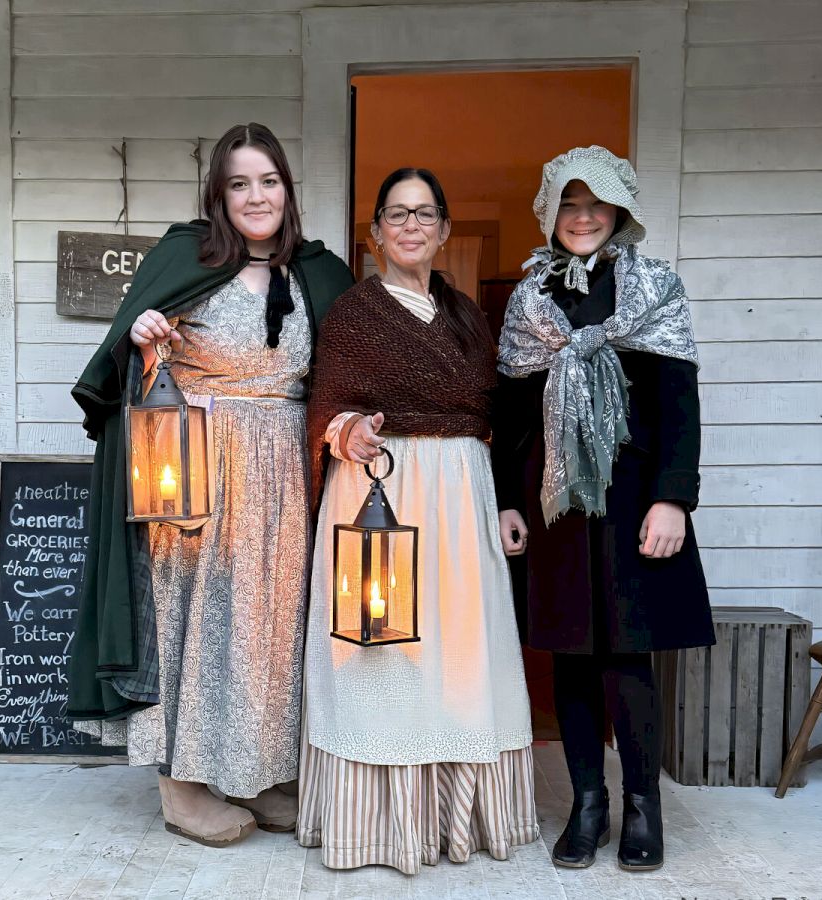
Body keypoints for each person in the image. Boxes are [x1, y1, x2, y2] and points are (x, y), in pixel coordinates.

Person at [66, 123, 353, 847]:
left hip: (287, 473)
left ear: (287, 190)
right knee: (193, 623)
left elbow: (345, 372)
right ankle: (183, 786)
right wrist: (146, 345)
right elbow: (124, 370)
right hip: (194, 470)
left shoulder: (318, 273)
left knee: (271, 628)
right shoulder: (182, 258)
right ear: (218, 195)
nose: (256, 196)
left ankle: (258, 772)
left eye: (268, 181)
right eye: (239, 183)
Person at [298, 168, 538, 875]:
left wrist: (504, 502)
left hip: (462, 498)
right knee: (383, 657)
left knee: (463, 652)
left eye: (425, 213)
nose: (411, 225)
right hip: (382, 496)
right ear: (375, 234)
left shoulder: (467, 316)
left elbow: (492, 421)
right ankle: (375, 825)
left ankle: (456, 818)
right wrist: (349, 433)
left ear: (442, 229)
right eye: (396, 214)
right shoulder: (352, 314)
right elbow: (325, 406)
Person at [492, 145, 713, 871]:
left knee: (628, 659)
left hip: (632, 500)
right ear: (549, 212)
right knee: (572, 658)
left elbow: (680, 404)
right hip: (555, 502)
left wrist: (673, 499)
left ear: (620, 209)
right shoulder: (531, 300)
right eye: (569, 204)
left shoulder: (654, 289)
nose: (582, 217)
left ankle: (642, 806)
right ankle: (588, 803)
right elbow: (513, 414)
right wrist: (506, 502)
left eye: (596, 204)